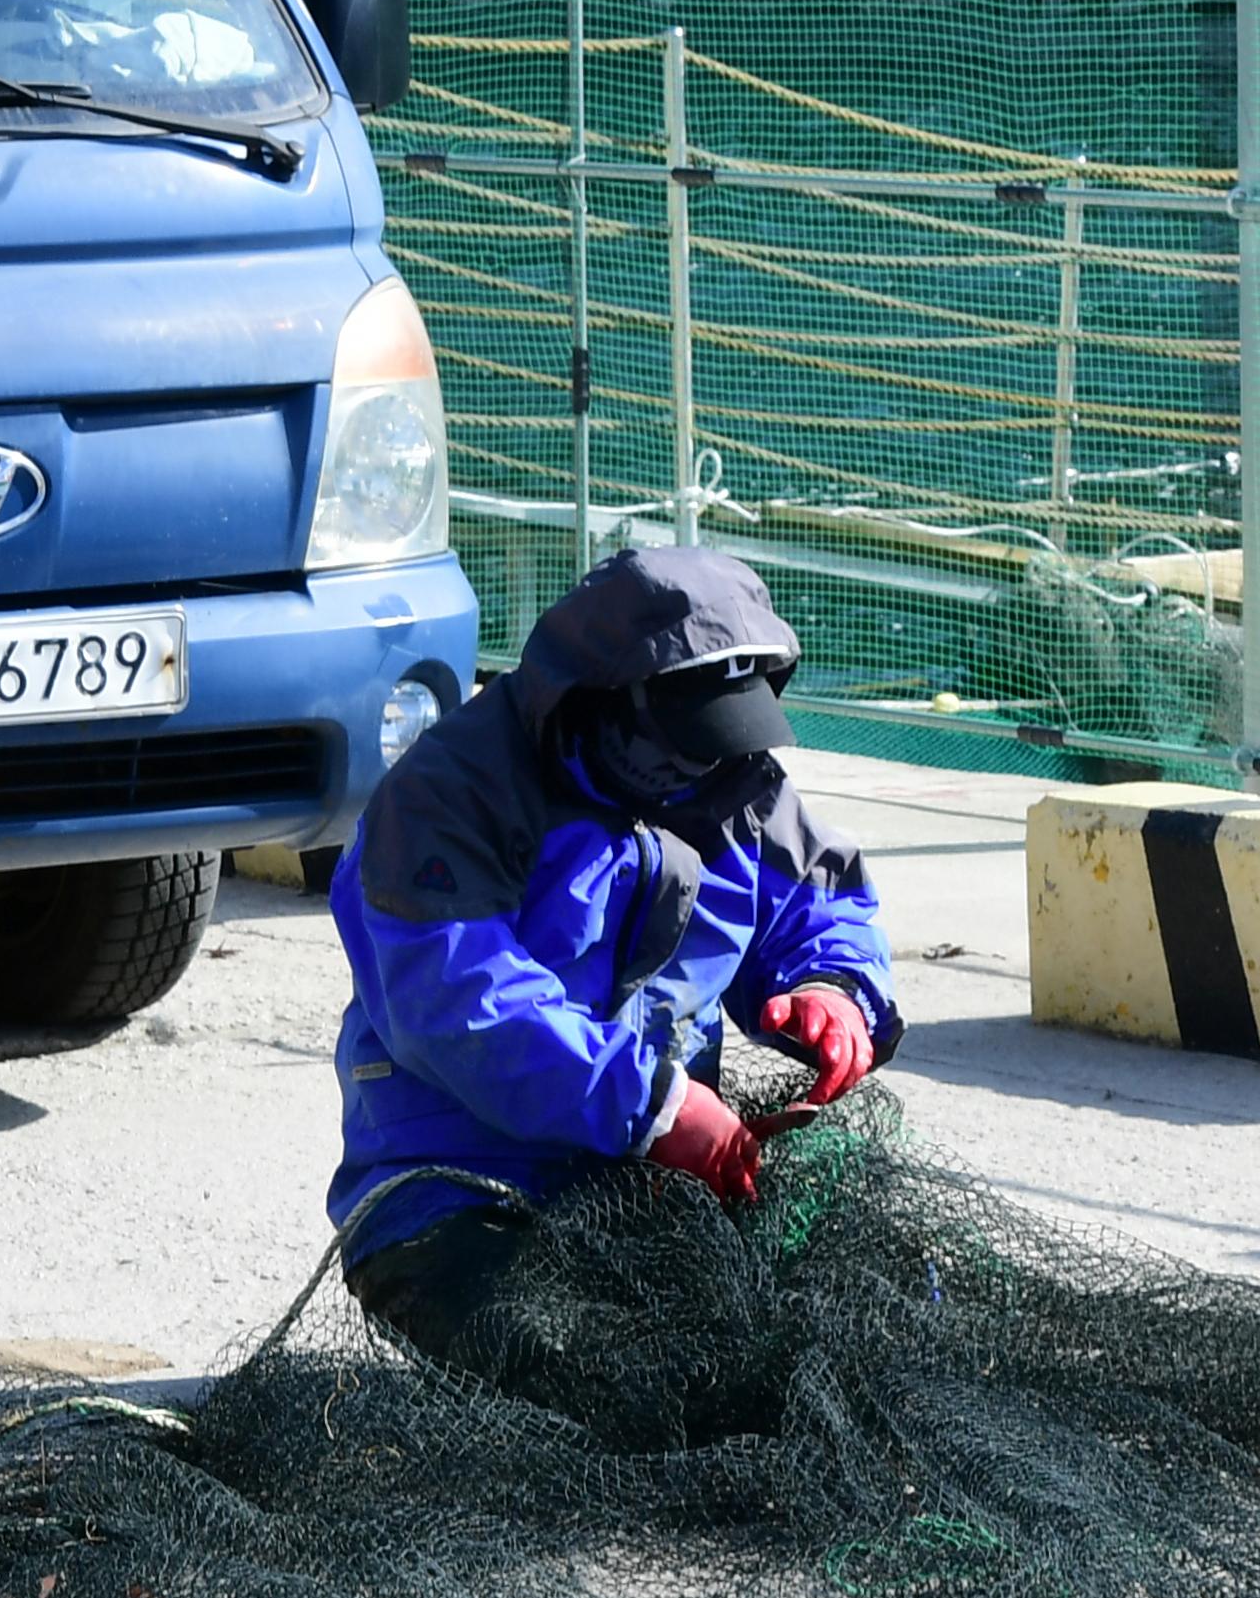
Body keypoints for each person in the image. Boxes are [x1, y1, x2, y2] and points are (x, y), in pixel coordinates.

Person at [325, 547, 902, 1383]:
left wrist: (835, 989)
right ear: (603, 701)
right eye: (683, 741)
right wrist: (656, 1108)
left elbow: (819, 904)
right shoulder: (449, 796)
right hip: (454, 1194)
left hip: (649, 1180)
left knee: (865, 1321)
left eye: (720, 740)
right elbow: (465, 1005)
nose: (701, 765)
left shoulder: (733, 782)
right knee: (596, 1379)